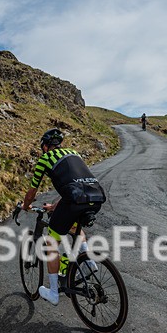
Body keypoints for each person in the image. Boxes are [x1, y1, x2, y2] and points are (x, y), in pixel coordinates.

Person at [21, 128, 106, 305]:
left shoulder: (45, 159)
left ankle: (53, 293)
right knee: (76, 228)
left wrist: (26, 205)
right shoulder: (74, 153)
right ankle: (89, 262)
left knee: (51, 243)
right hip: (95, 196)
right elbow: (75, 184)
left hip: (74, 201)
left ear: (45, 147)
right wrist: (53, 206)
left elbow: (32, 191)